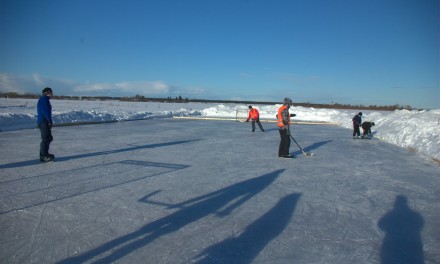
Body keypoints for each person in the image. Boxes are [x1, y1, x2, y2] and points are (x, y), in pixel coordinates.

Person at [37, 87, 55, 162]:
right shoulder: (44, 99)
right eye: (51, 92)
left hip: (45, 121)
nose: (52, 94)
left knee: (49, 138)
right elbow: (44, 111)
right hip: (44, 121)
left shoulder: (45, 99)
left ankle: (45, 154)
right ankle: (43, 156)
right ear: (46, 93)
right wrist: (49, 120)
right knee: (46, 138)